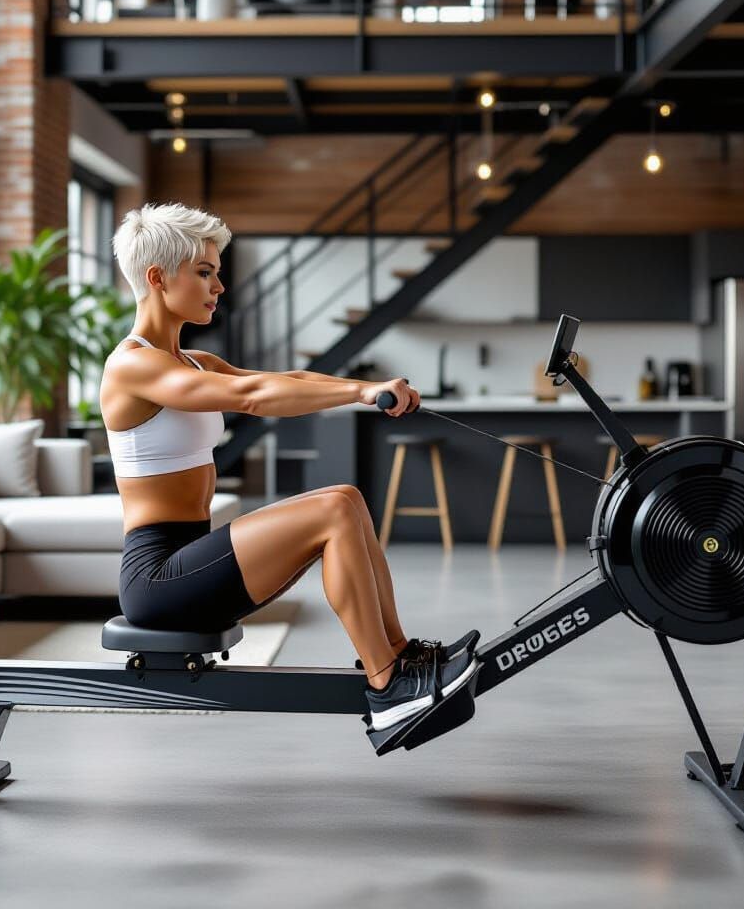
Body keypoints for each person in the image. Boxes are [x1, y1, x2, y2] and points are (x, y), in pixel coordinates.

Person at [100, 202, 479, 736]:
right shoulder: (132, 365)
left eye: (217, 273)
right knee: (331, 509)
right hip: (158, 579)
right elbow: (252, 396)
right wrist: (363, 391)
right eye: (205, 272)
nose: (219, 286)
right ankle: (387, 685)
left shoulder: (194, 362)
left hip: (190, 560)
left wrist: (362, 391)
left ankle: (401, 655)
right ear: (158, 277)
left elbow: (286, 378)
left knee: (345, 498)